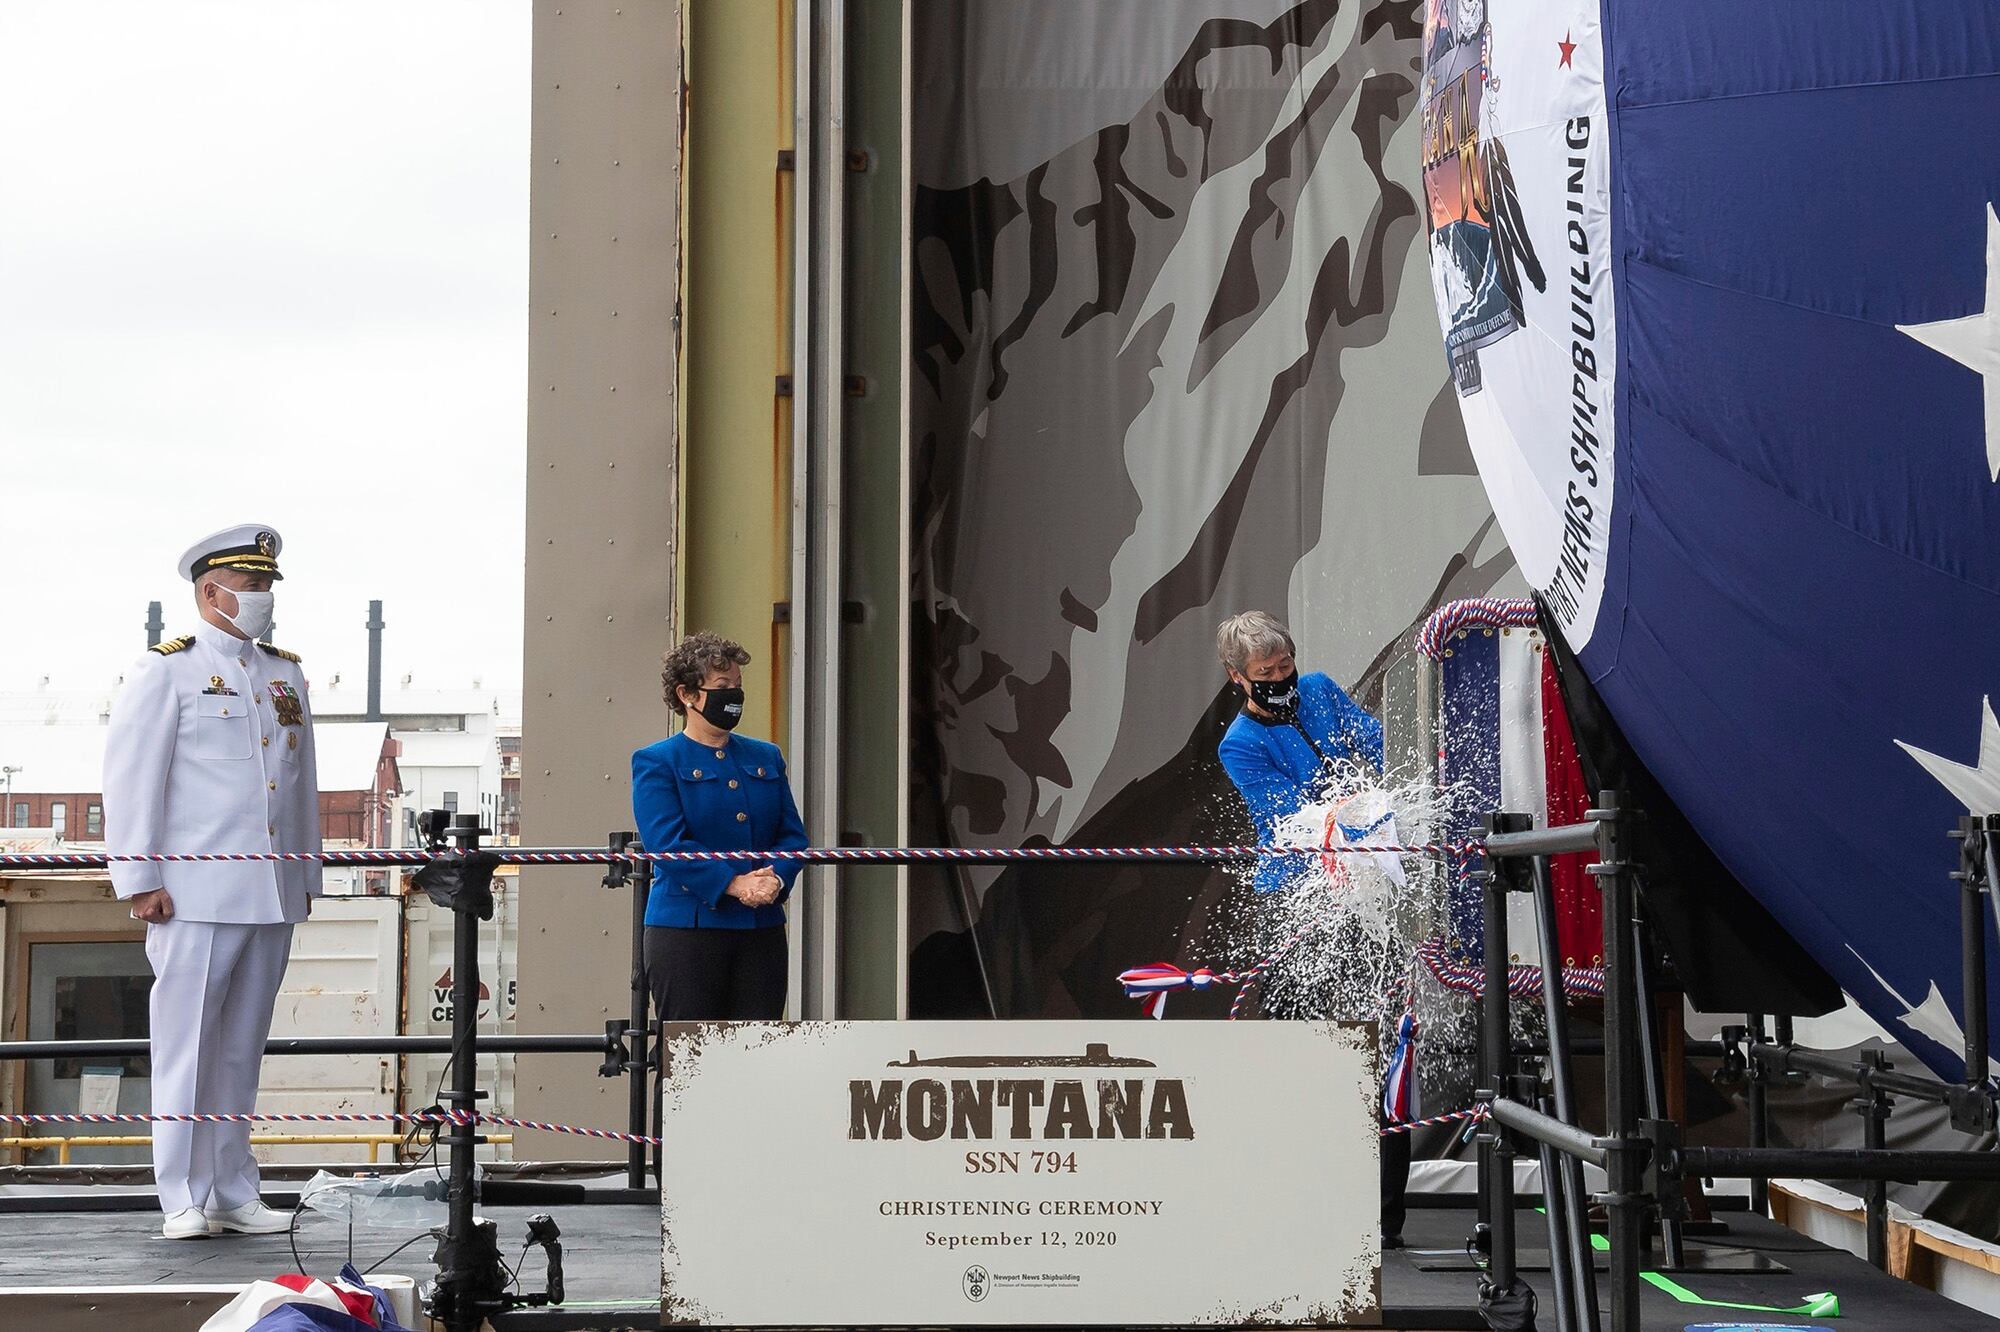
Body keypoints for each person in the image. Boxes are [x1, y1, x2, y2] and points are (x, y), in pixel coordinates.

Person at [103, 525, 319, 1240]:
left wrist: (306, 871)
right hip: (192, 892)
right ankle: (181, 1196)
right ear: (210, 591)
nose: (262, 598)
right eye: (252, 585)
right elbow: (134, 780)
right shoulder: (165, 671)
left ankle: (232, 1187)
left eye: (266, 586)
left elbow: (299, 786)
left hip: (270, 890)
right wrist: (139, 878)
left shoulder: (285, 674)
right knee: (186, 1046)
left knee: (239, 1049)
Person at [1213, 609, 1410, 1246]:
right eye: (1266, 674)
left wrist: (1378, 803)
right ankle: (1288, 1190)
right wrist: (1349, 811)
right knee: (1303, 1043)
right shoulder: (1239, 745)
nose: (1282, 680)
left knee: (1377, 1042)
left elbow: (1380, 747)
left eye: (1285, 667)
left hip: (1370, 886)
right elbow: (1288, 817)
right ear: (1237, 678)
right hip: (1304, 899)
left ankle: (1384, 1217)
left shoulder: (1321, 689)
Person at [631, 632, 808, 1021]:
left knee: (759, 1053)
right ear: (688, 695)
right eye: (722, 687)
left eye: (738, 687)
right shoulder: (657, 761)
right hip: (687, 931)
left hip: (761, 928)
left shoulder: (765, 755)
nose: (734, 697)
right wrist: (735, 883)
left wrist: (775, 880)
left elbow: (793, 837)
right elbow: (666, 844)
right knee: (688, 1065)